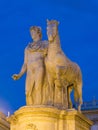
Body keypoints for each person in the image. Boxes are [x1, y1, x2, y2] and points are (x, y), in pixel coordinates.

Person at [12, 26, 48, 105]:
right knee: (27, 91)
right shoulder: (28, 48)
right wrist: (19, 75)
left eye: (33, 32)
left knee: (38, 88)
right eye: (31, 32)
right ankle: (31, 109)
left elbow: (51, 57)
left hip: (39, 67)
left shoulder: (45, 44)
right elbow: (25, 63)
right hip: (30, 70)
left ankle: (38, 108)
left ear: (38, 32)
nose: (31, 34)